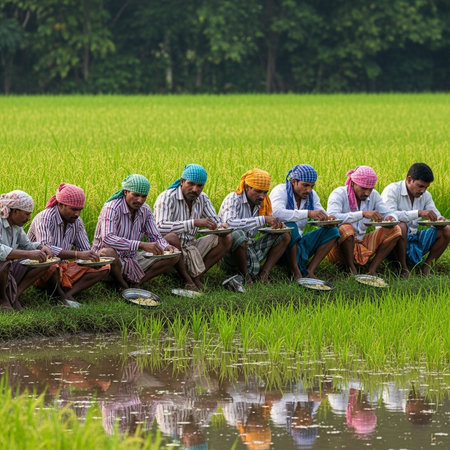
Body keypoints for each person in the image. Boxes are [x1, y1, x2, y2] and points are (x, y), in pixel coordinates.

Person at [28, 183, 109, 307]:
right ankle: (60, 296)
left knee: (105, 267)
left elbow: (84, 249)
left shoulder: (77, 221)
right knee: (50, 264)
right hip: (39, 268)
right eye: (74, 209)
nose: (77, 214)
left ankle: (68, 294)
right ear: (60, 205)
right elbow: (46, 248)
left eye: (80, 210)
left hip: (63, 265)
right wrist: (77, 254)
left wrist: (91, 258)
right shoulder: (45, 218)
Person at [92, 174, 180, 289]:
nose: (140, 200)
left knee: (174, 256)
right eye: (136, 195)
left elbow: (155, 236)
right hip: (109, 261)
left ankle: (137, 283)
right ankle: (123, 285)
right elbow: (108, 238)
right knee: (108, 253)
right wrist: (140, 244)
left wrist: (166, 247)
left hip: (132, 258)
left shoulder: (145, 210)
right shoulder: (112, 208)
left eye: (144, 196)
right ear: (125, 192)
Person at [154, 164, 231, 292]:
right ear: (182, 181)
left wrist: (221, 226)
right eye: (191, 184)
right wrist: (193, 222)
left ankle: (196, 277)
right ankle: (186, 280)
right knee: (172, 238)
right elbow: (160, 227)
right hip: (170, 251)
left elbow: (215, 219)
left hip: (191, 246)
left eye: (199, 186)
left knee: (226, 237)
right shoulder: (167, 197)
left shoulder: (202, 198)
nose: (195, 189)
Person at [327, 166, 402, 276]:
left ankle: (371, 269)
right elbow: (333, 217)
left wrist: (390, 217)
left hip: (362, 243)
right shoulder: (339, 194)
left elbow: (387, 212)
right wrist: (362, 214)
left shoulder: (374, 195)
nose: (367, 193)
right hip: (339, 247)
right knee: (346, 228)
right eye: (363, 188)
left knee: (395, 229)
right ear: (353, 183)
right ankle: (350, 267)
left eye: (370, 189)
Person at [219, 169, 290, 284]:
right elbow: (229, 223)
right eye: (258, 191)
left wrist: (275, 226)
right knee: (239, 234)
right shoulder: (233, 198)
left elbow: (263, 226)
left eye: (265, 192)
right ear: (247, 187)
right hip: (230, 252)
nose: (262, 196)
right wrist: (261, 219)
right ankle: (246, 275)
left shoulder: (262, 203)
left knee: (285, 235)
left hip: (251, 247)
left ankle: (263, 274)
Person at [270, 164, 339, 280]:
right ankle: (295, 271)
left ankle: (310, 270)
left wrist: (329, 219)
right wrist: (308, 213)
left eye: (312, 186)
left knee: (333, 231)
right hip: (282, 246)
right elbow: (276, 213)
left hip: (299, 242)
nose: (309, 190)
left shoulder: (311, 195)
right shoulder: (280, 191)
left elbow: (320, 212)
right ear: (294, 181)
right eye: (305, 185)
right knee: (291, 226)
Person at [381, 163, 450, 276]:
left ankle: (427, 268)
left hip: (414, 238)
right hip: (392, 241)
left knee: (447, 229)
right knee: (401, 226)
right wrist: (418, 213)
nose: (423, 191)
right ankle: (404, 269)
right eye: (420, 186)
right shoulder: (392, 190)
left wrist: (440, 219)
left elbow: (435, 214)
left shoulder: (425, 195)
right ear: (409, 180)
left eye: (426, 187)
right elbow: (389, 215)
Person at [0, 190, 53, 311]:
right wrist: (28, 254)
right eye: (27, 214)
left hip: (8, 269)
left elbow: (27, 245)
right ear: (15, 211)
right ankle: (3, 299)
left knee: (44, 263)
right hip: (3, 267)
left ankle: (14, 296)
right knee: (4, 263)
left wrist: (41, 247)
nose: (29, 218)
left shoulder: (16, 226)